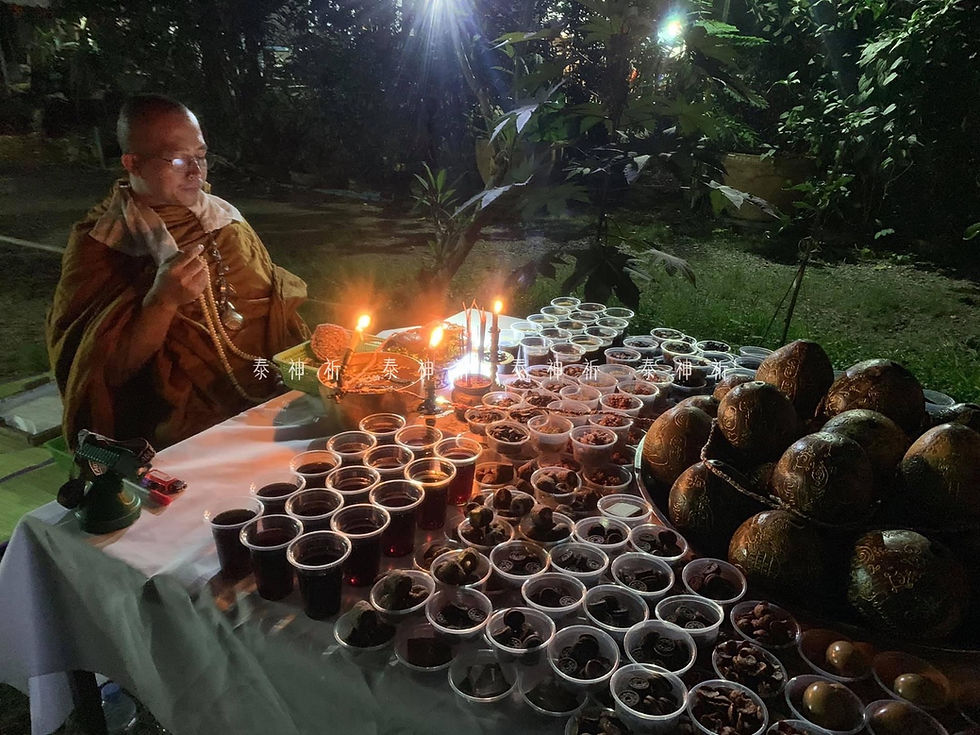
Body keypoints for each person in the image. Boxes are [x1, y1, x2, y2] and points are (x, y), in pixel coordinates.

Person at [46, 94, 310, 449]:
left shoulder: (224, 219)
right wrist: (162, 302)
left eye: (201, 156)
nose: (195, 172)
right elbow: (103, 374)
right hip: (186, 427)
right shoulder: (103, 244)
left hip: (272, 388)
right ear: (132, 163)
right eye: (177, 158)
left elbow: (275, 312)